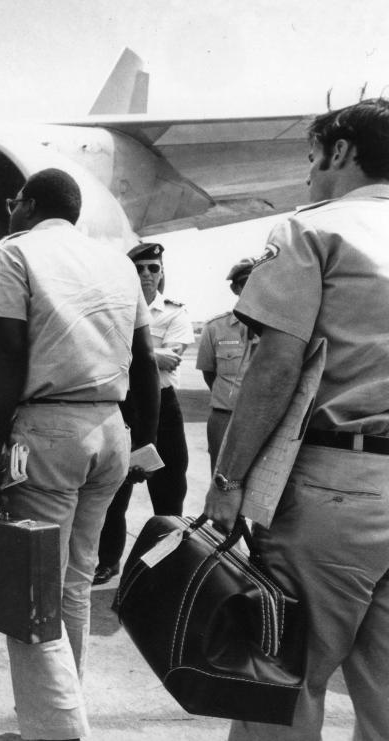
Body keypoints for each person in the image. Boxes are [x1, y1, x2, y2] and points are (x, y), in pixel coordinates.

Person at [204, 98, 389, 741]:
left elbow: (277, 368)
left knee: (283, 682)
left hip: (334, 489)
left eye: (312, 157)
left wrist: (227, 484)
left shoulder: (312, 230)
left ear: (340, 152)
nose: (310, 173)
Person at [0, 168, 158, 741]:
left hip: (48, 433)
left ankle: (58, 733)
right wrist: (142, 446)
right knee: (75, 584)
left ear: (28, 204)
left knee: (32, 594)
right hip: (111, 429)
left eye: (12, 202)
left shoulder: (15, 252)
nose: (9, 213)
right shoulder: (116, 262)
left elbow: (6, 354)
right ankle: (66, 709)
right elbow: (146, 361)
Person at [91, 242, 192, 585]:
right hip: (125, 407)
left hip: (164, 408)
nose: (147, 274)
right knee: (115, 491)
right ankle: (108, 561)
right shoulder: (116, 309)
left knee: (168, 489)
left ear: (162, 273)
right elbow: (118, 355)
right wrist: (151, 355)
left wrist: (141, 354)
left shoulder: (174, 312)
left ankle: (166, 566)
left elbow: (172, 358)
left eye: (153, 268)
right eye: (139, 268)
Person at [195, 257, 258, 471]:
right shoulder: (216, 328)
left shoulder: (282, 330)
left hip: (264, 417)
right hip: (225, 416)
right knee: (221, 476)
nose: (254, 287)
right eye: (247, 282)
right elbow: (209, 373)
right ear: (235, 288)